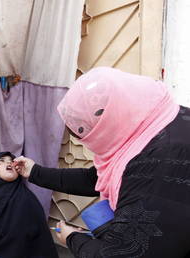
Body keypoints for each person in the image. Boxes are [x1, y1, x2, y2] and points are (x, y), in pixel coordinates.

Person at [14, 67, 190, 257]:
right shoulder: (160, 119)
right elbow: (95, 179)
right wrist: (34, 172)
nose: (92, 145)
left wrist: (72, 239)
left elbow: (122, 254)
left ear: (110, 120)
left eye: (93, 134)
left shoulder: (156, 166)